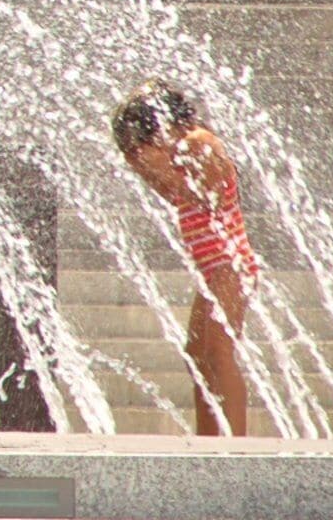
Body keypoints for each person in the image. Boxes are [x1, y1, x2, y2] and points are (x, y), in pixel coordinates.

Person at [113, 81, 258, 436]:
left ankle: (233, 442)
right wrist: (146, 169)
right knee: (197, 353)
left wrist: (158, 166)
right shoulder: (181, 151)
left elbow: (202, 197)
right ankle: (211, 435)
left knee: (219, 353)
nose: (146, 151)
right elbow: (174, 196)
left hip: (230, 265)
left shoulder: (199, 143)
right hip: (214, 269)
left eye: (144, 144)